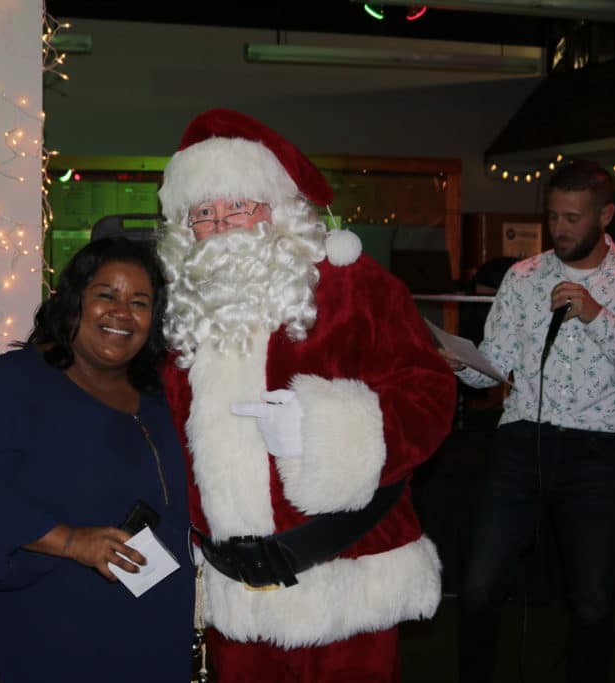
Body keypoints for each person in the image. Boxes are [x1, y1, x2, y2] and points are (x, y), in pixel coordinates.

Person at [156, 109, 456, 682]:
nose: (222, 226)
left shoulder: (353, 284)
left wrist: (331, 436)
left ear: (276, 211)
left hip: (349, 580)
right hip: (236, 599)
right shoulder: (179, 312)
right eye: (204, 214)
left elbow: (429, 390)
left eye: (239, 206)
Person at [447, 160, 615, 682]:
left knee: (592, 602)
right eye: (554, 217)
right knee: (480, 588)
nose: (561, 229)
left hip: (598, 449)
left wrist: (597, 315)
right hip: (520, 439)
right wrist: (465, 366)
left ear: (606, 215)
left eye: (573, 218)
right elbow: (497, 367)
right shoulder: (523, 277)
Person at [0, 236, 193, 682]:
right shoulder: (13, 384)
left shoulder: (162, 395)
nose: (121, 312)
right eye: (106, 295)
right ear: (74, 300)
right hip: (52, 627)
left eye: (139, 302)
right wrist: (72, 542)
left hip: (154, 627)